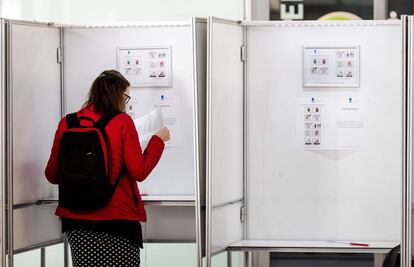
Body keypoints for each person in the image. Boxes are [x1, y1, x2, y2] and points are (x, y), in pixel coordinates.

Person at [45, 69, 170, 267]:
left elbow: (51, 175)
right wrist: (157, 140)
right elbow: (139, 171)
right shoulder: (122, 122)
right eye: (126, 96)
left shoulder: (67, 123)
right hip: (116, 219)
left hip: (76, 222)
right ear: (119, 95)